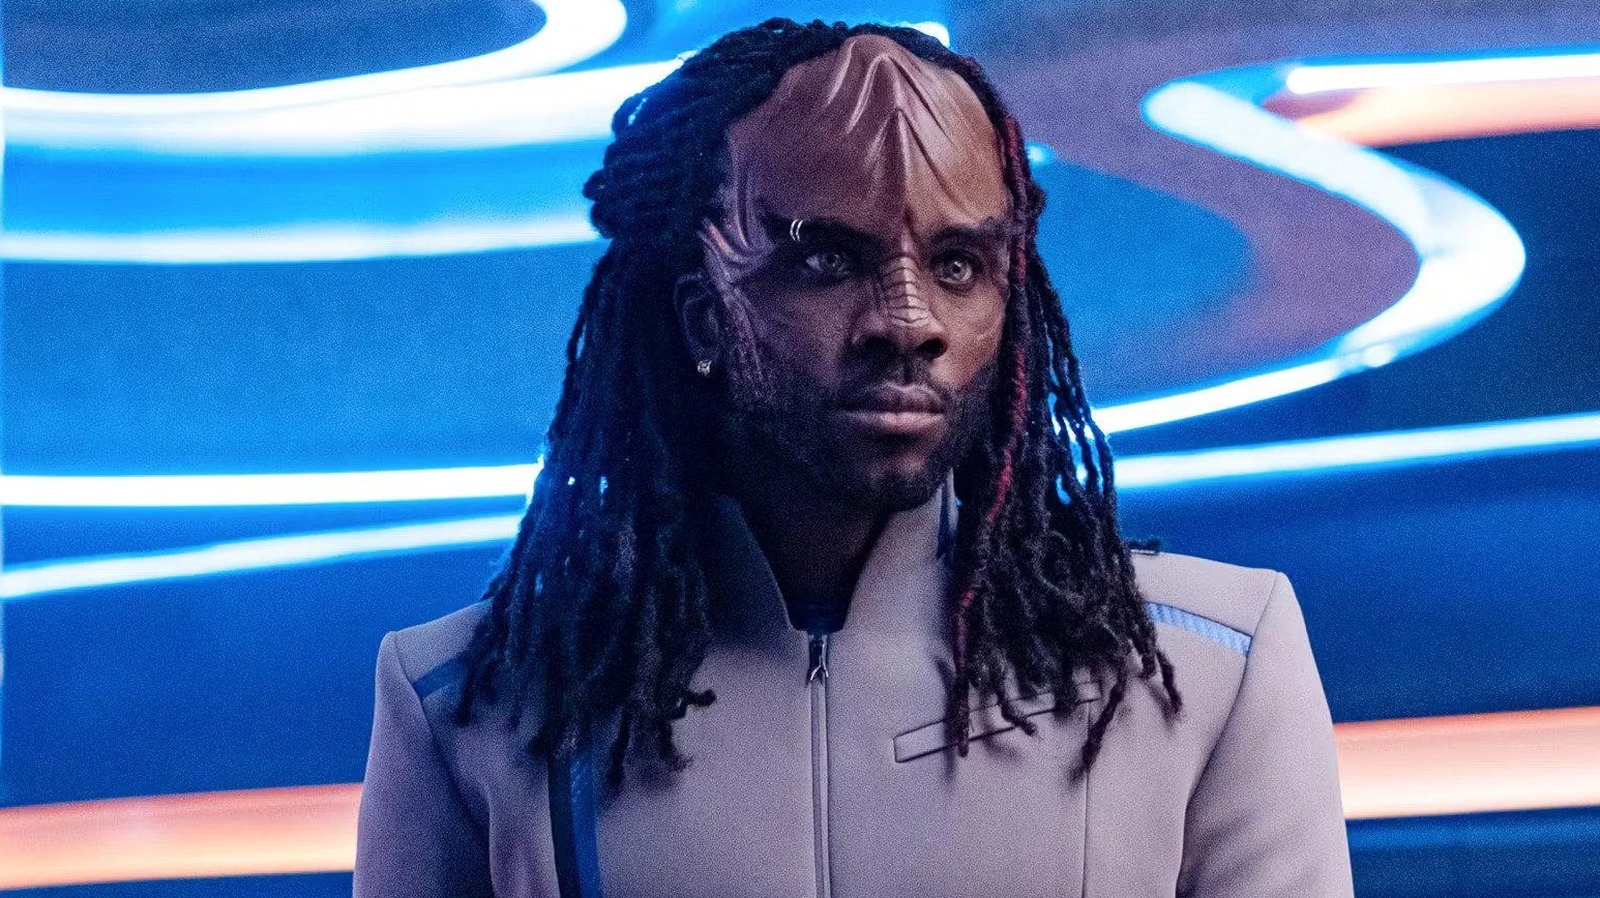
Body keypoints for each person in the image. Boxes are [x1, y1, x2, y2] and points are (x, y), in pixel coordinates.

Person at [353, 17, 1353, 897]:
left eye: (958, 264)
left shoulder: (1212, 666)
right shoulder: (468, 707)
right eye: (826, 259)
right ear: (702, 316)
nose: (909, 323)